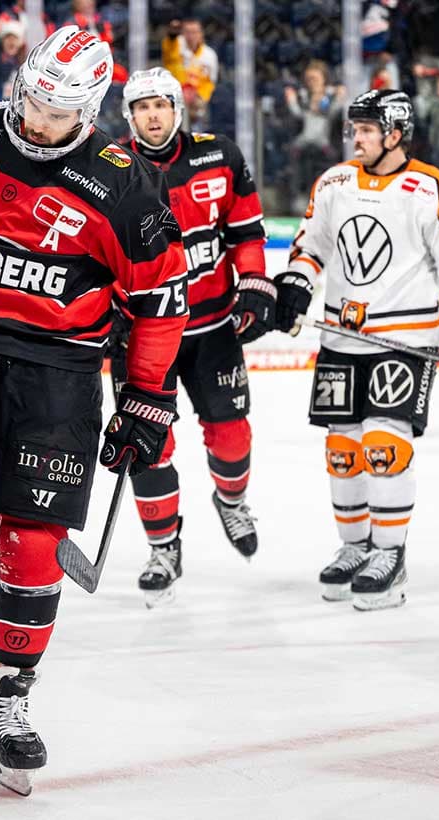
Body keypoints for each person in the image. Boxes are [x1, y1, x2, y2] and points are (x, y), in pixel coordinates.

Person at [0, 26, 186, 795]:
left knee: (33, 545)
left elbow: (159, 301)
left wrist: (146, 398)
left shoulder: (123, 188)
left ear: (88, 112)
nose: (32, 120)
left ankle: (8, 695)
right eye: (29, 99)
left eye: (53, 112)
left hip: (58, 369)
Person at [270, 90, 439, 612]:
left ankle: (390, 554)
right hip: (341, 340)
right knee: (343, 452)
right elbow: (311, 246)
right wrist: (297, 283)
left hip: (404, 339)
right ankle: (354, 546)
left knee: (384, 445)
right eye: (355, 129)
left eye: (367, 129)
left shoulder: (431, 188)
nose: (357, 137)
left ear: (395, 133)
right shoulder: (334, 183)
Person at [111, 68, 268, 607]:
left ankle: (232, 499)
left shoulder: (218, 155)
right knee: (149, 448)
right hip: (145, 334)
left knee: (232, 435)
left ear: (179, 109)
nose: (152, 115)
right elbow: (91, 252)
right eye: (141, 107)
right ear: (128, 117)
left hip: (212, 326)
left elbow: (245, 231)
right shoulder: (107, 170)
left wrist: (253, 281)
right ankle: (163, 548)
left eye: (161, 105)